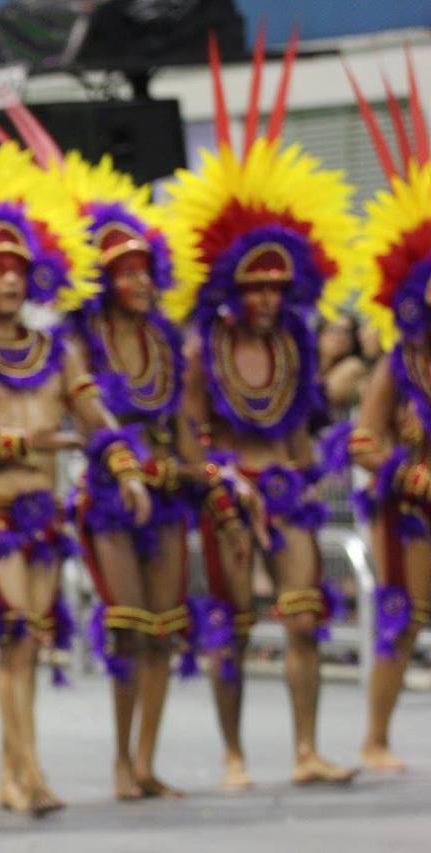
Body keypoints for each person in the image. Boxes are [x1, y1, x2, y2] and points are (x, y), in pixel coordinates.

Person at [0, 132, 151, 815]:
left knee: (32, 644)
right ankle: (26, 772)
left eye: (17, 267)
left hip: (44, 515)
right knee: (17, 634)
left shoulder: (58, 348)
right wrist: (9, 440)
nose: (8, 279)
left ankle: (16, 773)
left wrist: (125, 466)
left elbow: (95, 412)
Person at [164, 32, 358, 789]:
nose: (268, 299)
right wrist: (214, 475)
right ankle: (235, 752)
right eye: (255, 287)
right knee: (233, 629)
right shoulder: (200, 350)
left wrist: (308, 470)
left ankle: (307, 749)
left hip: (290, 494)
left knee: (305, 617)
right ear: (229, 290)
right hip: (227, 495)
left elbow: (307, 422)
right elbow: (187, 432)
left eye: (278, 287)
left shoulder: (298, 346)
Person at [59, 150, 213, 800]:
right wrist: (128, 466)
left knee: (162, 629)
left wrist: (198, 467)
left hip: (168, 495)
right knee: (126, 625)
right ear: (103, 278)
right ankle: (121, 761)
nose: (142, 282)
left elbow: (179, 419)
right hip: (112, 496)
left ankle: (146, 761)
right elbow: (92, 418)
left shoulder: (165, 341)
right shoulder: (81, 342)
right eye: (127, 273)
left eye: (147, 271)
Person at [336, 65, 431, 772]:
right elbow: (361, 440)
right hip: (412, 512)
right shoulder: (397, 365)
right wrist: (409, 472)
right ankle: (374, 736)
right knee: (405, 618)